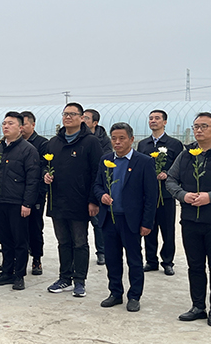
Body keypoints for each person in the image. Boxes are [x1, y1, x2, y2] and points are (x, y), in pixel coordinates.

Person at [93, 122, 157, 312]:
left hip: (131, 220)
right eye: (114, 138)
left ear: (131, 139)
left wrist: (147, 223)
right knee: (112, 259)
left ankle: (134, 296)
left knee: (134, 259)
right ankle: (115, 293)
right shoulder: (106, 160)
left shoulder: (143, 161)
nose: (117, 142)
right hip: (109, 218)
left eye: (122, 138)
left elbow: (151, 196)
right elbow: (97, 185)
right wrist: (101, 196)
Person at [44, 102, 102, 297]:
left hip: (80, 201)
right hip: (58, 200)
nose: (68, 117)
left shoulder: (90, 142)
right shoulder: (54, 142)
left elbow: (97, 172)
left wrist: (93, 200)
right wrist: (45, 175)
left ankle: (79, 280)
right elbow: (44, 164)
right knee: (63, 242)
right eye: (65, 114)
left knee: (79, 242)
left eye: (72, 114)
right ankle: (64, 277)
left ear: (81, 118)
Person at [0, 112, 40, 291]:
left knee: (20, 240)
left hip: (17, 202)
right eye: (4, 123)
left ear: (20, 128)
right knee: (5, 239)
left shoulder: (28, 150)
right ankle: (7, 271)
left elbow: (33, 179)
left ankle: (19, 274)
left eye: (11, 123)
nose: (6, 126)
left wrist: (27, 203)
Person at [166, 112, 211, 323]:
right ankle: (198, 306)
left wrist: (209, 197)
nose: (198, 130)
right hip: (190, 221)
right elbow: (170, 179)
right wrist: (183, 195)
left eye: (204, 126)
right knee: (195, 266)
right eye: (196, 126)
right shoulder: (186, 155)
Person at [137, 109, 183, 276]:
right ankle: (151, 260)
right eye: (151, 118)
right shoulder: (143, 144)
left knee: (167, 230)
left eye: (157, 118)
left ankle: (168, 261)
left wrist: (167, 174)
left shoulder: (174, 144)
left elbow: (181, 168)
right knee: (149, 228)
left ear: (165, 122)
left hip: (166, 194)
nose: (153, 121)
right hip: (148, 195)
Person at [20, 111, 49, 275]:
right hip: (17, 192)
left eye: (24, 124)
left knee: (35, 227)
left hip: (36, 192)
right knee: (18, 228)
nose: (21, 128)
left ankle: (37, 259)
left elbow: (43, 166)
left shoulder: (42, 143)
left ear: (33, 125)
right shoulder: (14, 143)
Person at [83, 108, 109, 266]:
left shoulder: (103, 140)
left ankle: (102, 252)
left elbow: (104, 161)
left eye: (86, 118)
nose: (83, 120)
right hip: (79, 186)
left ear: (95, 123)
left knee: (98, 222)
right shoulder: (77, 137)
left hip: (96, 184)